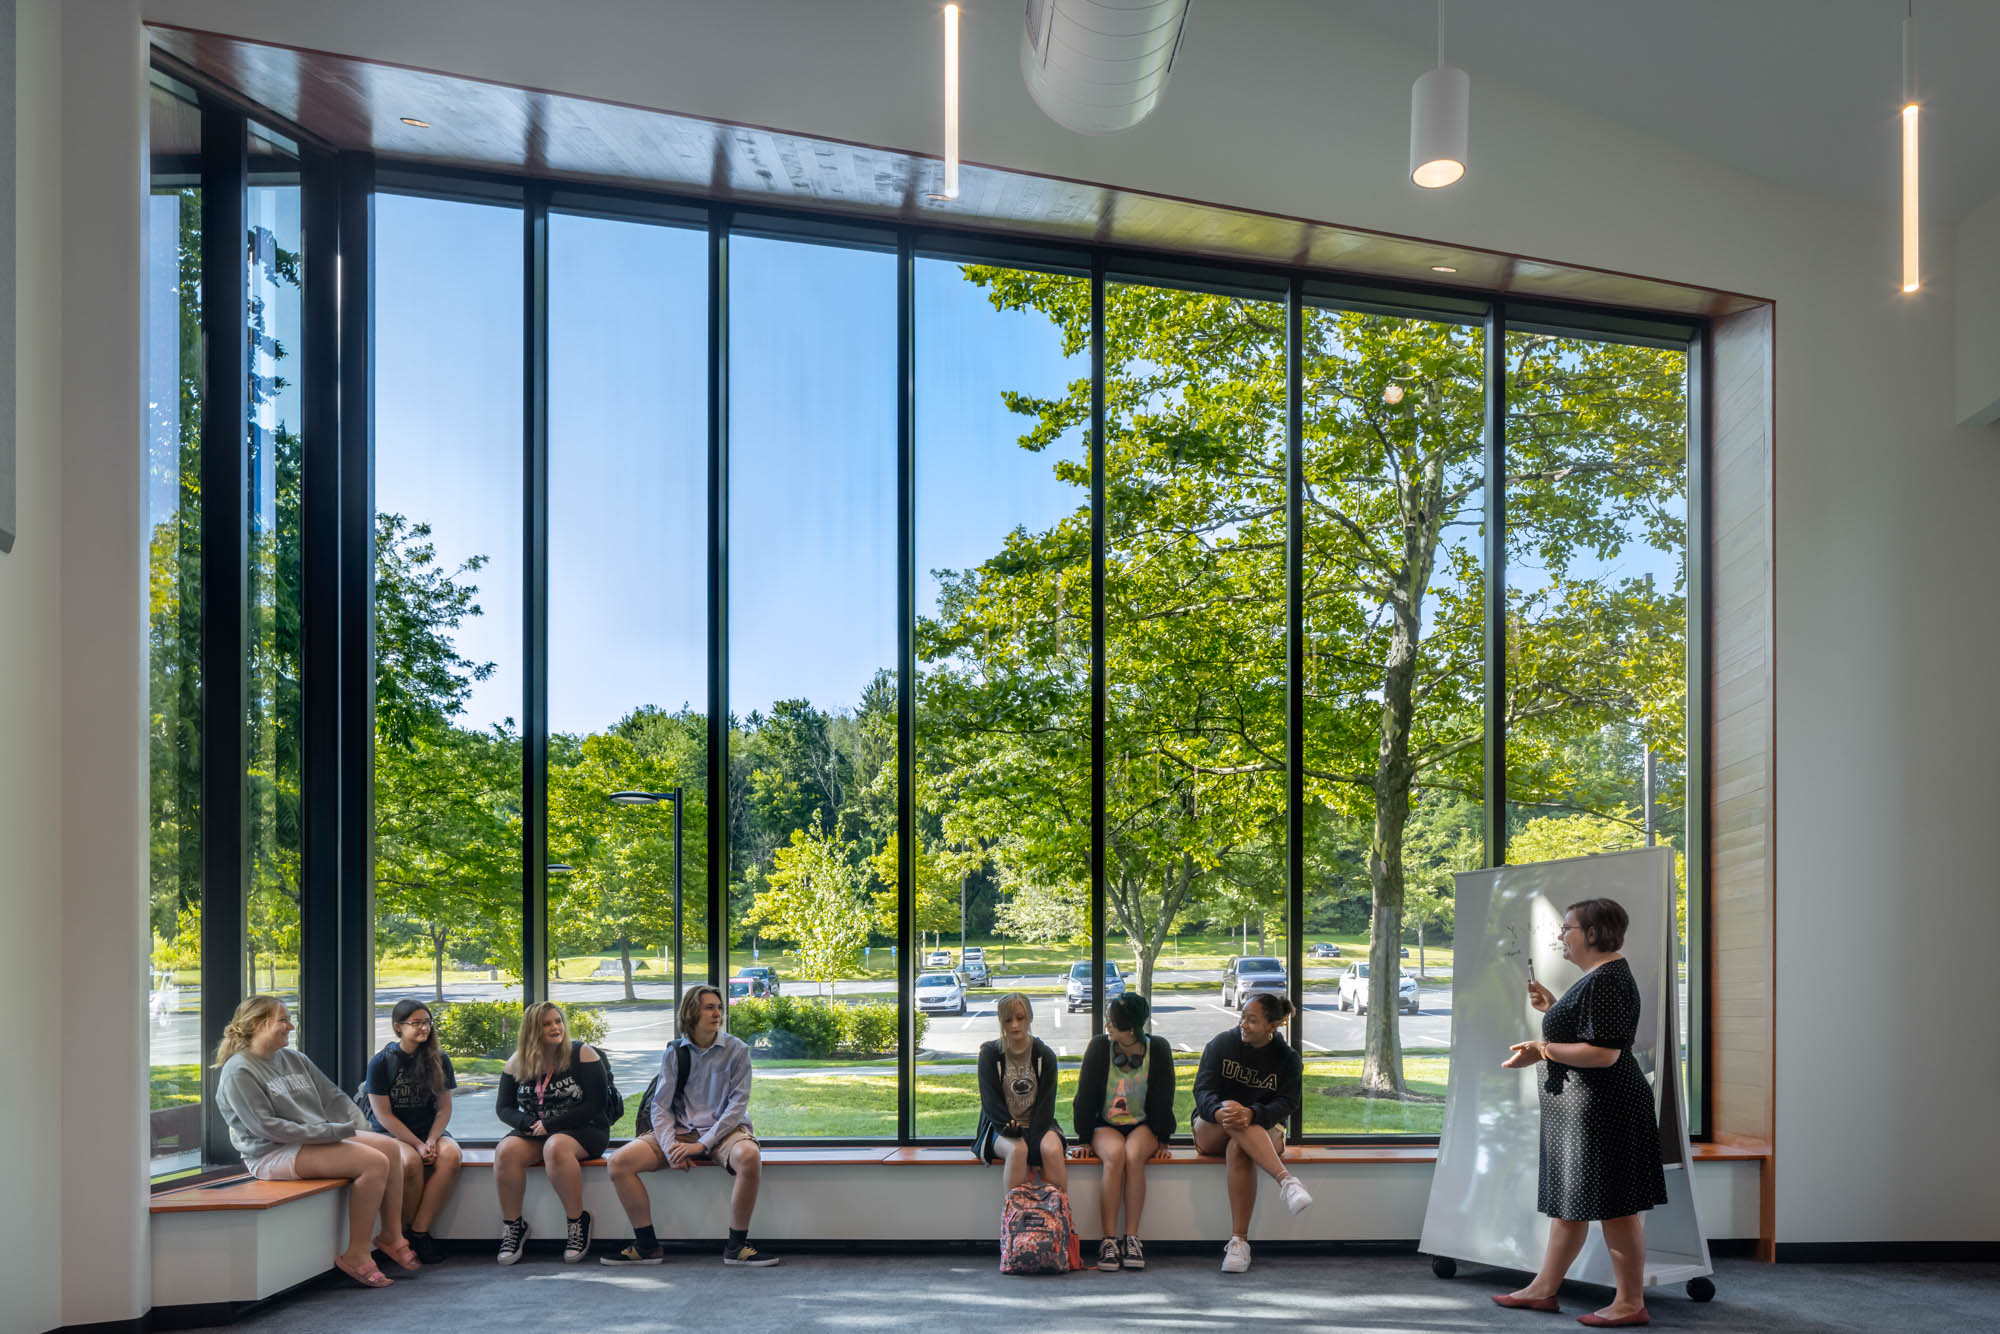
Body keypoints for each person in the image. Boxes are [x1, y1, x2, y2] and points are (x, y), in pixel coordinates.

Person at [1494, 898, 1668, 1328]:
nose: (1560, 935)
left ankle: (1630, 1303)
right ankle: (1543, 1289)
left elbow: (1604, 1053)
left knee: (1617, 1208)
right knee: (1569, 1206)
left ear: (1593, 933)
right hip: (1584, 1113)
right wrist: (1554, 1009)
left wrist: (1542, 1049)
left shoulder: (1607, 979)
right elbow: (1591, 1033)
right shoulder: (1596, 978)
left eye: (1568, 928)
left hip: (1607, 1111)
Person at [212, 995, 420, 1289]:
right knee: (373, 1163)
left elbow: (333, 1098)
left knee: (388, 1147)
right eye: (283, 1019)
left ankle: (392, 1235)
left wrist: (359, 1130)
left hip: (311, 1138)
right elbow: (268, 1128)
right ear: (259, 1024)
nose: (290, 1026)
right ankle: (357, 1254)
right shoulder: (239, 1070)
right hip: (272, 1152)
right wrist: (334, 1133)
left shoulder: (294, 1059)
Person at [601, 984, 780, 1268]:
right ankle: (646, 1246)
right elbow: (660, 1106)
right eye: (709, 1007)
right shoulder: (675, 1052)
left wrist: (702, 1145)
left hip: (724, 1131)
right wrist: (671, 1146)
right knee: (619, 1163)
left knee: (749, 1156)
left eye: (719, 1007)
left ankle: (737, 1246)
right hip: (682, 1129)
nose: (717, 1013)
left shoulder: (737, 1050)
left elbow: (736, 1107)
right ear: (691, 1013)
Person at [1191, 992, 1311, 1273]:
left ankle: (1238, 1244)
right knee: (1234, 1113)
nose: (1243, 1024)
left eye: (1252, 1020)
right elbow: (1202, 1090)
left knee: (1240, 1145)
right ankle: (1287, 1182)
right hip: (1212, 1126)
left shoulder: (1288, 1058)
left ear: (1273, 1025)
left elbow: (1288, 1103)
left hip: (1261, 1130)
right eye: (1243, 1017)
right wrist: (1221, 1111)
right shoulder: (1222, 1044)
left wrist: (1254, 1113)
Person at [493, 1001, 610, 1265]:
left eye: (558, 1021)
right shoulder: (517, 1062)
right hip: (538, 1130)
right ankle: (514, 1226)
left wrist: (551, 1125)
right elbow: (503, 1108)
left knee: (555, 1146)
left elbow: (596, 1104)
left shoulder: (582, 1054)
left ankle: (576, 1222)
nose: (555, 1027)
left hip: (585, 1129)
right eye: (546, 1024)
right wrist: (526, 1123)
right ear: (532, 1030)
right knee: (506, 1150)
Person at [1072, 993, 1175, 1271]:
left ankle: (1131, 1238)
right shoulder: (1099, 1048)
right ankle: (1108, 1241)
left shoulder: (1159, 1049)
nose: (1108, 1027)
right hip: (1106, 1124)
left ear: (1130, 1030)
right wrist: (1084, 1138)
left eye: (1113, 1024)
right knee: (1115, 1155)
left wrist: (1163, 1140)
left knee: (1132, 1156)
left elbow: (1165, 1098)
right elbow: (1084, 1097)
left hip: (1143, 1124)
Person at [364, 998, 464, 1263]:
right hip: (392, 1134)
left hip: (429, 1131)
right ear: (398, 1027)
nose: (424, 1028)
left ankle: (419, 1231)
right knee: (409, 1163)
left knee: (451, 1156)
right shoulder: (381, 1063)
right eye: (416, 1023)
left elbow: (444, 1108)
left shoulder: (439, 1059)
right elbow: (383, 1116)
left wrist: (430, 1139)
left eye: (427, 1022)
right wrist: (418, 1146)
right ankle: (402, 1234)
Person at [975, 993, 1066, 1192]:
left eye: (1020, 1018)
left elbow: (1046, 1105)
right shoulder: (990, 1054)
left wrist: (1034, 1142)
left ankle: (1058, 1217)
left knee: (1051, 1150)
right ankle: (1014, 1219)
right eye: (1008, 1020)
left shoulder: (1045, 1055)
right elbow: (990, 1102)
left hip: (1039, 1123)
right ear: (1001, 1022)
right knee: (1018, 1149)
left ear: (1030, 1018)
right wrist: (1009, 1128)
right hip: (1001, 1126)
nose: (1015, 1025)